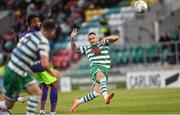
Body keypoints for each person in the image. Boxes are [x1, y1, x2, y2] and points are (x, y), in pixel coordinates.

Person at [0, 19, 61, 115]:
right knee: (8, 104)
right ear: (51, 31)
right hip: (18, 71)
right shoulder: (43, 41)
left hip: (16, 68)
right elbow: (44, 63)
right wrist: (53, 72)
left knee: (35, 94)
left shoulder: (27, 35)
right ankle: (52, 112)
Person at [17, 15, 61, 115]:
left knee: (44, 85)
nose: (40, 23)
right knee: (54, 85)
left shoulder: (22, 35)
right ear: (33, 23)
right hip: (40, 64)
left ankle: (42, 111)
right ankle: (53, 113)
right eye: (38, 22)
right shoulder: (38, 35)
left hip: (30, 66)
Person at [70, 28, 119, 112]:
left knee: (96, 93)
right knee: (101, 77)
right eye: (90, 39)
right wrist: (72, 38)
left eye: (93, 38)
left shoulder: (103, 43)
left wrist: (107, 38)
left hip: (105, 69)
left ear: (96, 38)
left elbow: (116, 37)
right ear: (88, 41)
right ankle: (106, 97)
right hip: (95, 68)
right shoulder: (87, 48)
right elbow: (74, 50)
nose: (92, 40)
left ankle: (78, 101)